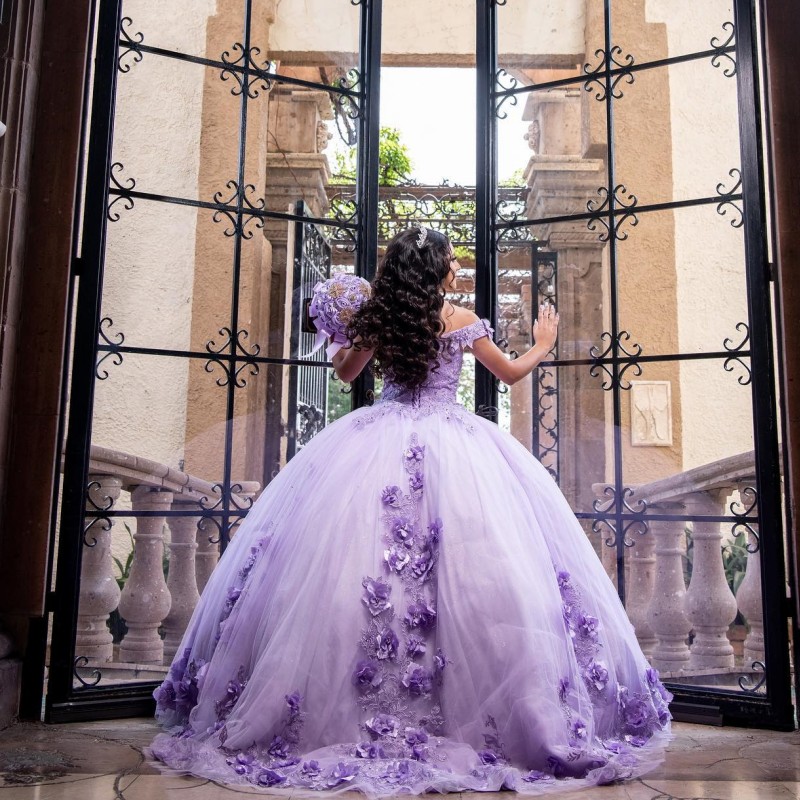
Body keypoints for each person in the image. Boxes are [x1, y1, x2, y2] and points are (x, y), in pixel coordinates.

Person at [150, 226, 672, 796]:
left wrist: (337, 334)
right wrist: (544, 341)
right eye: (450, 259)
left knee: (356, 572)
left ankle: (335, 710)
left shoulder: (379, 318)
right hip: (457, 444)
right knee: (481, 576)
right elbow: (511, 373)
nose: (455, 266)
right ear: (437, 270)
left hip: (376, 439)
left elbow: (347, 374)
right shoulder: (458, 318)